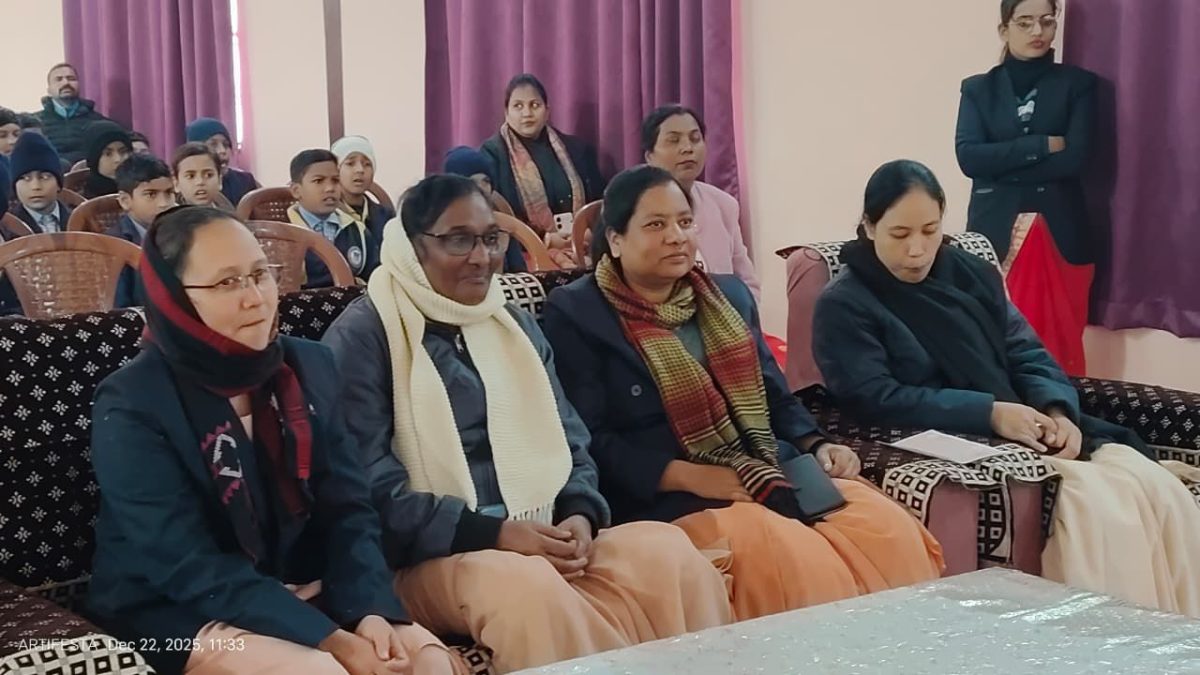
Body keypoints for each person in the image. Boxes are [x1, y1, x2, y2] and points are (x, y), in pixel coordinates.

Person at [322, 175, 731, 672]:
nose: (482, 257)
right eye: (458, 240)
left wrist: (579, 512)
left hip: (539, 530)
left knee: (668, 553)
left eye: (491, 238)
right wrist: (494, 534)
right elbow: (369, 488)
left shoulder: (512, 324)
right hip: (424, 556)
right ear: (412, 246)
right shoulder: (365, 336)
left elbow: (571, 438)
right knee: (527, 587)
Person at [541, 165, 943, 622]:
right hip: (669, 493)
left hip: (766, 466)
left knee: (889, 530)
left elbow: (773, 393)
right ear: (615, 239)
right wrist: (691, 477)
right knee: (797, 561)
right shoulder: (579, 312)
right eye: (656, 225)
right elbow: (590, 438)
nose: (677, 236)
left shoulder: (726, 296)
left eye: (684, 221)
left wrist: (817, 444)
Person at [813, 159, 1200, 617]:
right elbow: (874, 396)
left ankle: (1172, 633)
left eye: (930, 231)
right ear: (869, 226)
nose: (917, 250)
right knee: (1098, 511)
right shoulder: (846, 303)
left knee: (1153, 489)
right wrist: (990, 413)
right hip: (960, 435)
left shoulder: (971, 274)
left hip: (1025, 424)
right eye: (899, 234)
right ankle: (1105, 634)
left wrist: (1057, 411)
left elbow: (1025, 352)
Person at [88, 205, 463, 675]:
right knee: (322, 672)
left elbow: (348, 507)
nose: (257, 299)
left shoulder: (308, 367)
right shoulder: (133, 401)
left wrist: (368, 610)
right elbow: (183, 562)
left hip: (298, 586)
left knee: (424, 661)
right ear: (173, 299)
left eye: (259, 274)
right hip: (175, 614)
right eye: (227, 282)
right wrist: (330, 640)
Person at [955, 0, 1096, 376]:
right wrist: (1041, 145)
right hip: (994, 232)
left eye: (1047, 21)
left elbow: (1075, 160)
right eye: (1025, 22)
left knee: (1059, 354)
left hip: (1061, 232)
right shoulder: (978, 90)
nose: (1038, 31)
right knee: (997, 343)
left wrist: (1001, 164)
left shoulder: (1079, 86)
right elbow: (969, 159)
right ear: (1004, 30)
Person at [641, 105, 760, 299]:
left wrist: (743, 314)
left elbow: (747, 282)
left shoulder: (723, 204)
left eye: (695, 139)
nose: (688, 148)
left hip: (724, 314)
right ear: (650, 156)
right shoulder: (636, 208)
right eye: (674, 140)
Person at [481, 74, 605, 258]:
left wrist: (589, 230)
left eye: (535, 105)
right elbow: (494, 215)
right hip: (523, 255)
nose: (527, 113)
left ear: (547, 111)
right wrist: (545, 239)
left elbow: (600, 201)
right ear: (506, 113)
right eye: (518, 106)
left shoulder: (577, 149)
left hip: (583, 248)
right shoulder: (492, 154)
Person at [287, 149, 380, 287]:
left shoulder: (356, 230)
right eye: (318, 181)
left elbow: (375, 276)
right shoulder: (283, 235)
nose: (330, 188)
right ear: (296, 190)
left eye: (335, 180)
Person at [444, 145, 525, 272]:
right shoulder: (444, 227)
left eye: (486, 181)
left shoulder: (502, 224)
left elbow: (520, 271)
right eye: (472, 182)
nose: (481, 188)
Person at [36, 62, 115, 166]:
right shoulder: (36, 122)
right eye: (59, 79)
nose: (66, 83)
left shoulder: (97, 120)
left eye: (71, 79)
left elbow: (128, 137)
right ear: (49, 90)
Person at [330, 135, 394, 242]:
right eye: (350, 163)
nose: (360, 170)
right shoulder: (327, 215)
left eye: (367, 164)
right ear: (336, 170)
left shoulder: (386, 216)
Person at [185, 117, 260, 206]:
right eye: (213, 145)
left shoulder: (245, 181)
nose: (222, 151)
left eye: (226, 145)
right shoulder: (186, 186)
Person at [10, 132, 73, 234]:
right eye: (25, 178)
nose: (35, 186)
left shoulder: (83, 221)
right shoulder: (6, 229)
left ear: (58, 183)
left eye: (44, 177)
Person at [110, 154, 176, 246]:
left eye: (169, 192)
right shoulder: (113, 244)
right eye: (151, 194)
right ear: (125, 201)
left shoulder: (184, 231)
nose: (164, 203)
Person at [81, 121, 132, 199]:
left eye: (123, 152)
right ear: (94, 159)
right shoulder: (78, 200)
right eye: (108, 154)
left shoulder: (142, 190)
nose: (118, 160)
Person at [172, 143, 224, 208]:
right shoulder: (169, 214)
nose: (200, 182)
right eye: (190, 176)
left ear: (220, 180)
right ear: (176, 183)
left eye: (208, 175)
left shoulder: (230, 213)